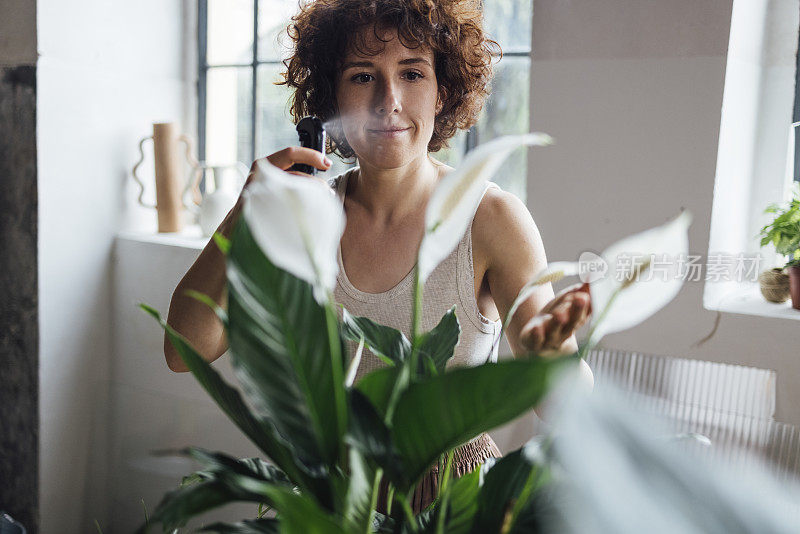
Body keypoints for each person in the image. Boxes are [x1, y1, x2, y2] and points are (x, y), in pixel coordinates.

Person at [164, 0, 592, 513]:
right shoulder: (306, 215)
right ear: (331, 96)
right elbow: (183, 349)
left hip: (449, 506)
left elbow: (565, 404)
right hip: (336, 493)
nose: (388, 101)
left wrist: (553, 352)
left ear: (445, 91)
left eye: (412, 73)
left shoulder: (492, 218)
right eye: (363, 76)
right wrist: (245, 211)